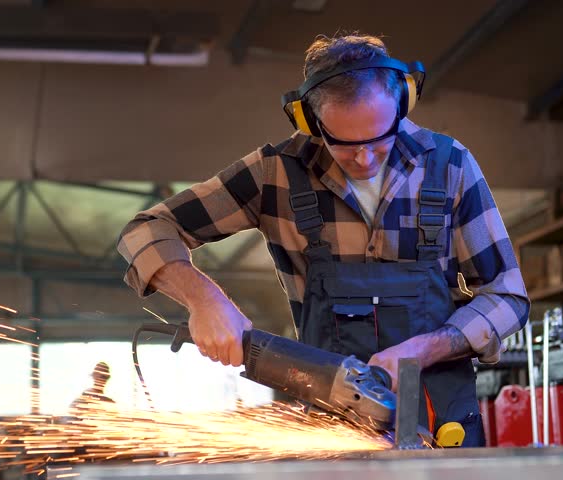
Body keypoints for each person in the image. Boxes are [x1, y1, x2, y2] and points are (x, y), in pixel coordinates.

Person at [117, 33, 529, 446]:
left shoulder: (448, 165)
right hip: (331, 430)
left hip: (442, 421)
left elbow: (507, 295)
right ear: (311, 122)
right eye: (344, 145)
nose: (364, 159)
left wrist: (427, 348)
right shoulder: (275, 174)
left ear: (403, 101)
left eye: (380, 138)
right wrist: (203, 299)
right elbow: (147, 230)